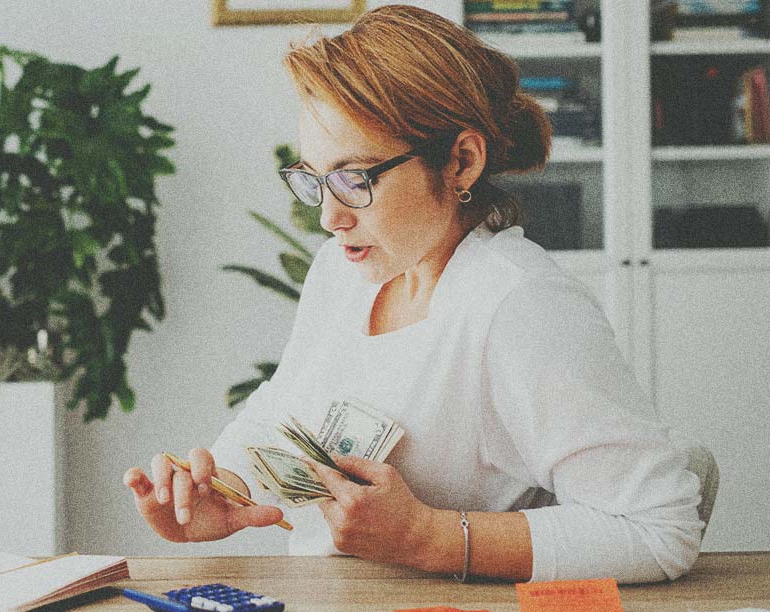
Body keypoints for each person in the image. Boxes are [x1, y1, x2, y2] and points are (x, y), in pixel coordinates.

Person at [122, 4, 704, 584]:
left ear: (461, 161)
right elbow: (282, 407)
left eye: (355, 180)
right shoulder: (342, 272)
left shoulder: (520, 305)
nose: (329, 217)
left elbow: (657, 529)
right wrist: (226, 486)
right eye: (315, 180)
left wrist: (426, 536)